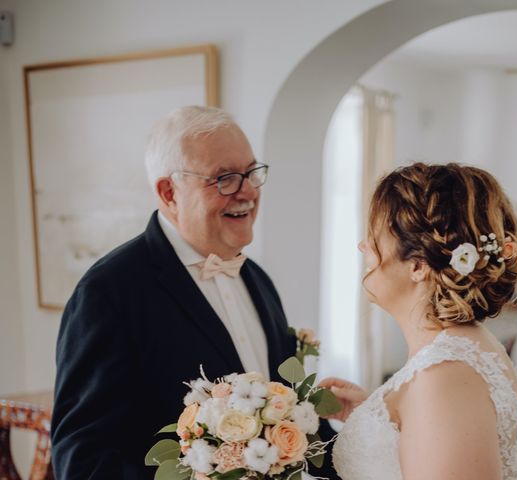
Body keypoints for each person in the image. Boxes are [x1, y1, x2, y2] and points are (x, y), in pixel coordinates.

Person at [51, 106, 337, 479]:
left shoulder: (258, 280)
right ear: (169, 192)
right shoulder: (108, 293)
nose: (248, 191)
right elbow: (81, 459)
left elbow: (294, 418)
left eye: (251, 172)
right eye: (225, 178)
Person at [322, 163, 517, 480]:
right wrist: (379, 418)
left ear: (418, 264)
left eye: (374, 235)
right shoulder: (460, 350)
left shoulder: (443, 377)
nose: (363, 245)